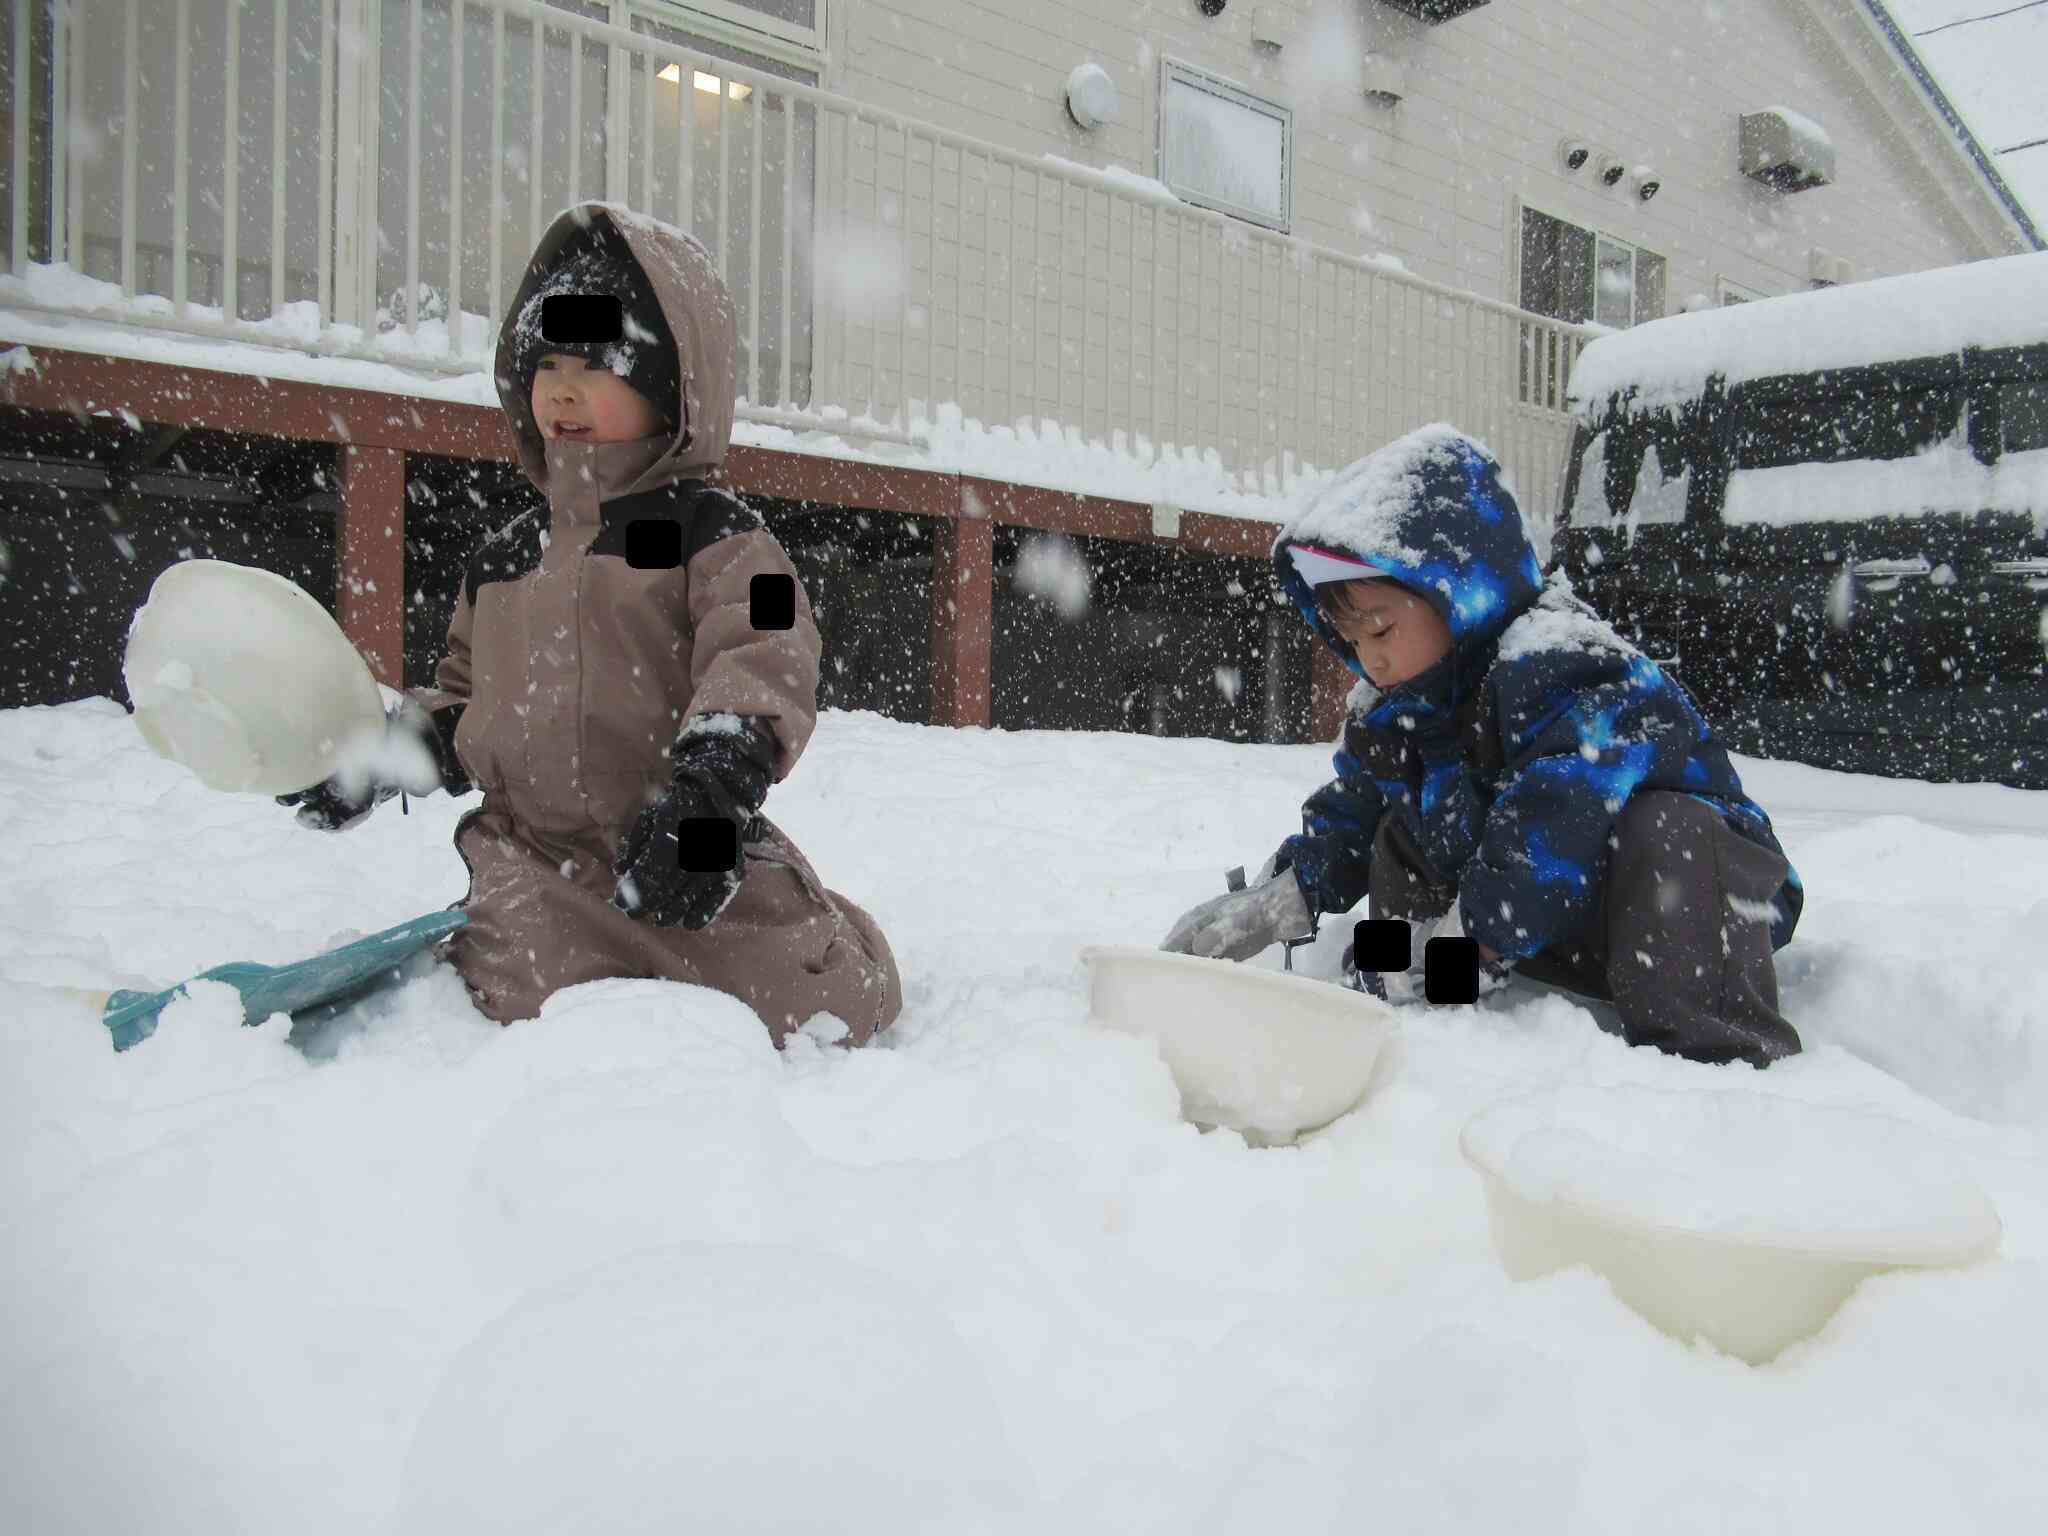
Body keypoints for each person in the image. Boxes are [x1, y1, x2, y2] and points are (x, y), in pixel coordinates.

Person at [280, 201, 902, 1047]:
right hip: (541, 874)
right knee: (514, 991)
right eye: (546, 364)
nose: (564, 388)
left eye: (598, 363)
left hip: (682, 853)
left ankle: (817, 926)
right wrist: (375, 754)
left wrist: (711, 801)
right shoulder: (506, 556)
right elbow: (468, 705)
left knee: (822, 1010)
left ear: (669, 385)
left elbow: (769, 651)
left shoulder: (719, 537)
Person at [1161, 424, 1804, 1069]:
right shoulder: (1394, 707)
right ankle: (1407, 987)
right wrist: (1287, 895)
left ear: (1459, 589)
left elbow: (1557, 815)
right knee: (1399, 825)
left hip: (1690, 910)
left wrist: (1475, 938)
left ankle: (1711, 1049)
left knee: (1667, 829)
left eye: (1382, 629)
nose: (1370, 658)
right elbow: (1352, 811)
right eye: (1353, 640)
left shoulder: (1564, 665)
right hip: (1555, 927)